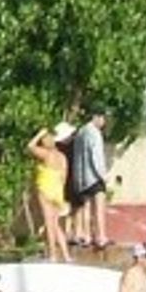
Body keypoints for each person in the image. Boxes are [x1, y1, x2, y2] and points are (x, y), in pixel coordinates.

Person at [66, 107, 114, 247]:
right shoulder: (94, 133)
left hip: (81, 177)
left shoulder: (81, 132)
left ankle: (86, 236)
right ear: (97, 117)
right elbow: (96, 156)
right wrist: (102, 176)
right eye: (103, 118)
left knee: (85, 207)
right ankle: (101, 237)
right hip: (94, 177)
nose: (104, 122)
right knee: (99, 207)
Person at [27, 123, 71, 265]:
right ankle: (66, 255)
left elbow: (30, 147)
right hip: (58, 190)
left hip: (46, 188)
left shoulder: (46, 154)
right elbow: (64, 178)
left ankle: (53, 254)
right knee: (55, 224)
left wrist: (39, 134)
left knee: (49, 223)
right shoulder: (62, 157)